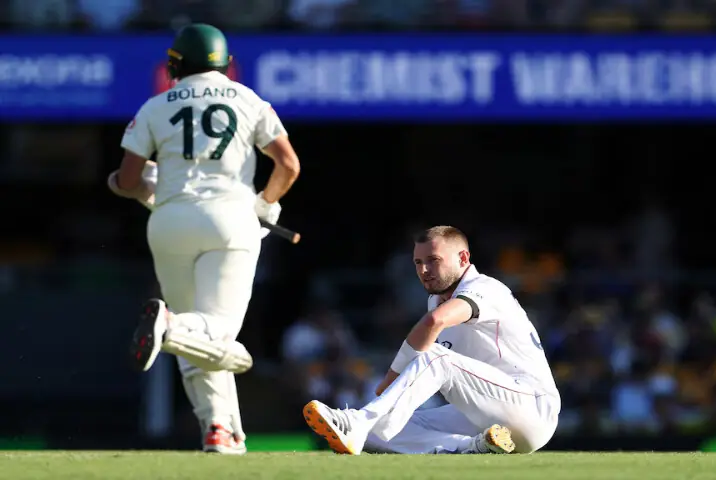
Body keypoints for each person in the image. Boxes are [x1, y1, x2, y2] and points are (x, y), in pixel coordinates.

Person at [107, 23, 300, 454]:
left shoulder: (156, 105)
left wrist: (128, 185)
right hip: (230, 220)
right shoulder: (249, 99)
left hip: (169, 222)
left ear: (176, 64)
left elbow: (129, 179)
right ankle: (171, 326)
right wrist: (265, 205)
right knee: (219, 334)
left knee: (198, 339)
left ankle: (219, 429)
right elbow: (288, 165)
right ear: (226, 64)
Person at [303, 226, 560, 455]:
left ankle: (359, 421)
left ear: (463, 258)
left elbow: (434, 323)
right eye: (418, 262)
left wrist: (391, 379)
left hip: (532, 409)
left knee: (435, 356)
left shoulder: (486, 288)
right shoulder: (436, 298)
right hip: (488, 416)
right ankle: (472, 447)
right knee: (379, 433)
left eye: (433, 260)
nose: (424, 270)